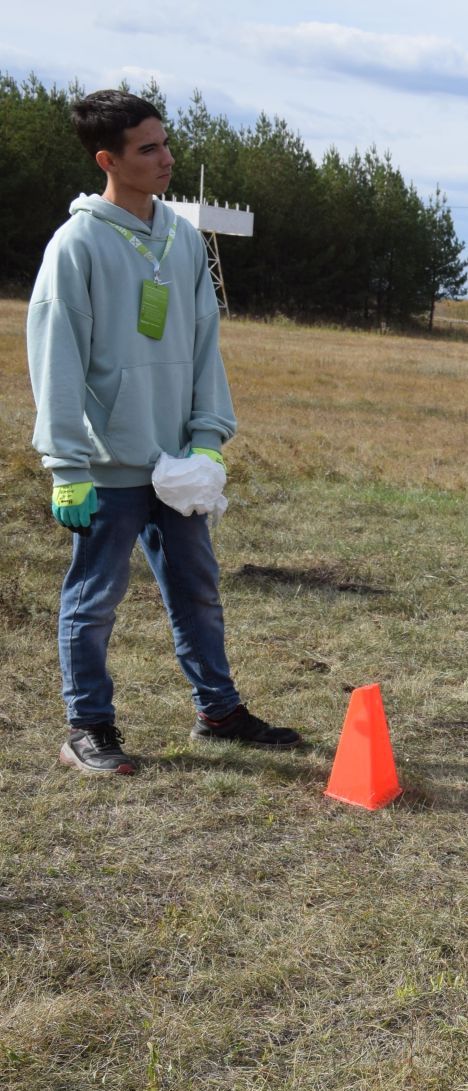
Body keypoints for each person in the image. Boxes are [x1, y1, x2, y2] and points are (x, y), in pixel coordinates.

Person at [27, 89, 301, 774]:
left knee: (199, 592)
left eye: (166, 142)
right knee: (93, 602)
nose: (166, 158)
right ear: (107, 159)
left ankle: (218, 711)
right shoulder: (78, 244)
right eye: (147, 148)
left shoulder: (181, 238)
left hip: (177, 465)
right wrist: (67, 468)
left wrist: (208, 435)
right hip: (107, 468)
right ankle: (87, 728)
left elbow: (206, 341)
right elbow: (54, 358)